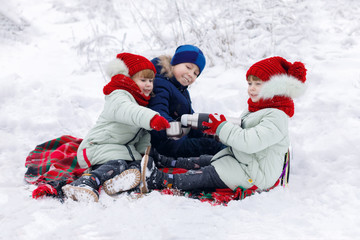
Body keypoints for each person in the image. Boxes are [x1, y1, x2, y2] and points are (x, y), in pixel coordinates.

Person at [139, 56, 307, 193]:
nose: (252, 89)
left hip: (256, 174)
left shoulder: (277, 116)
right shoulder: (259, 109)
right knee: (210, 159)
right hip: (247, 162)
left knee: (209, 173)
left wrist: (223, 127)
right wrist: (218, 127)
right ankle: (168, 162)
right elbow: (243, 129)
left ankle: (161, 180)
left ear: (274, 87)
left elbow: (249, 142)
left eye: (258, 84)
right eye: (250, 84)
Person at [62, 53, 170, 202]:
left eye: (151, 80)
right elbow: (128, 111)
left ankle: (116, 183)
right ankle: (88, 182)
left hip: (118, 149)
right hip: (97, 146)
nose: (148, 84)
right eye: (143, 80)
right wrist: (151, 119)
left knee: (138, 166)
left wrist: (145, 154)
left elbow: (142, 136)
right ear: (129, 79)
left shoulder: (140, 103)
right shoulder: (118, 96)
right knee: (118, 164)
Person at [148, 45, 225, 158]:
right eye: (188, 67)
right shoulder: (160, 84)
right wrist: (177, 129)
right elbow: (158, 113)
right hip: (167, 144)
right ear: (174, 63)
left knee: (218, 141)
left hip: (178, 140)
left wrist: (207, 131)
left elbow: (188, 118)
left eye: (195, 73)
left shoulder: (181, 90)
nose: (191, 74)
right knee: (214, 147)